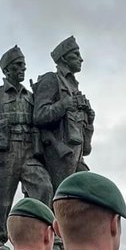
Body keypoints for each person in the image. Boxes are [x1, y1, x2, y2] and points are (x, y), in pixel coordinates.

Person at [0, 46, 53, 250]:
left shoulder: (31, 96)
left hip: (28, 152)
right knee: (3, 200)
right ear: (7, 69)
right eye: (18, 65)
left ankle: (43, 233)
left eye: (24, 65)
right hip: (5, 154)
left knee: (44, 186)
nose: (22, 69)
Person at [33, 36, 95, 195]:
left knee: (86, 194)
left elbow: (83, 137)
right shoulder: (51, 79)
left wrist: (90, 119)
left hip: (77, 154)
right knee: (60, 199)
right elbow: (39, 115)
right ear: (64, 59)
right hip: (58, 153)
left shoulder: (74, 86)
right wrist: (64, 104)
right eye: (76, 55)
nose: (81, 59)